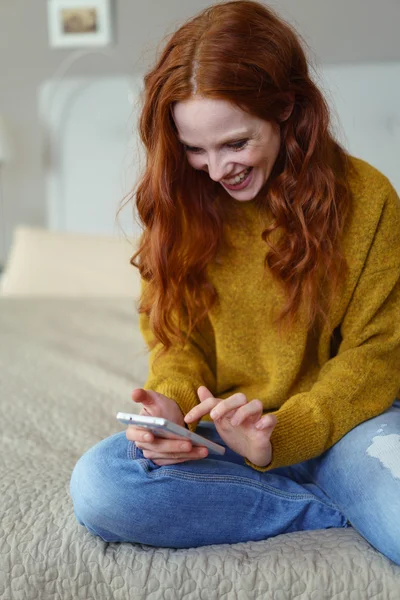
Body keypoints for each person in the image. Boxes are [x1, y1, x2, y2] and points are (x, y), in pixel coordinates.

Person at [70, 0, 400, 563]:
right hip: (226, 433)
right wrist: (171, 409)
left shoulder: (368, 198)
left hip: (346, 424)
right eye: (195, 149)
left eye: (235, 143)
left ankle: (326, 490)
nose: (217, 170)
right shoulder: (180, 204)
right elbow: (176, 340)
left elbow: (375, 357)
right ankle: (328, 509)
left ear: (287, 110)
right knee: (103, 486)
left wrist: (283, 435)